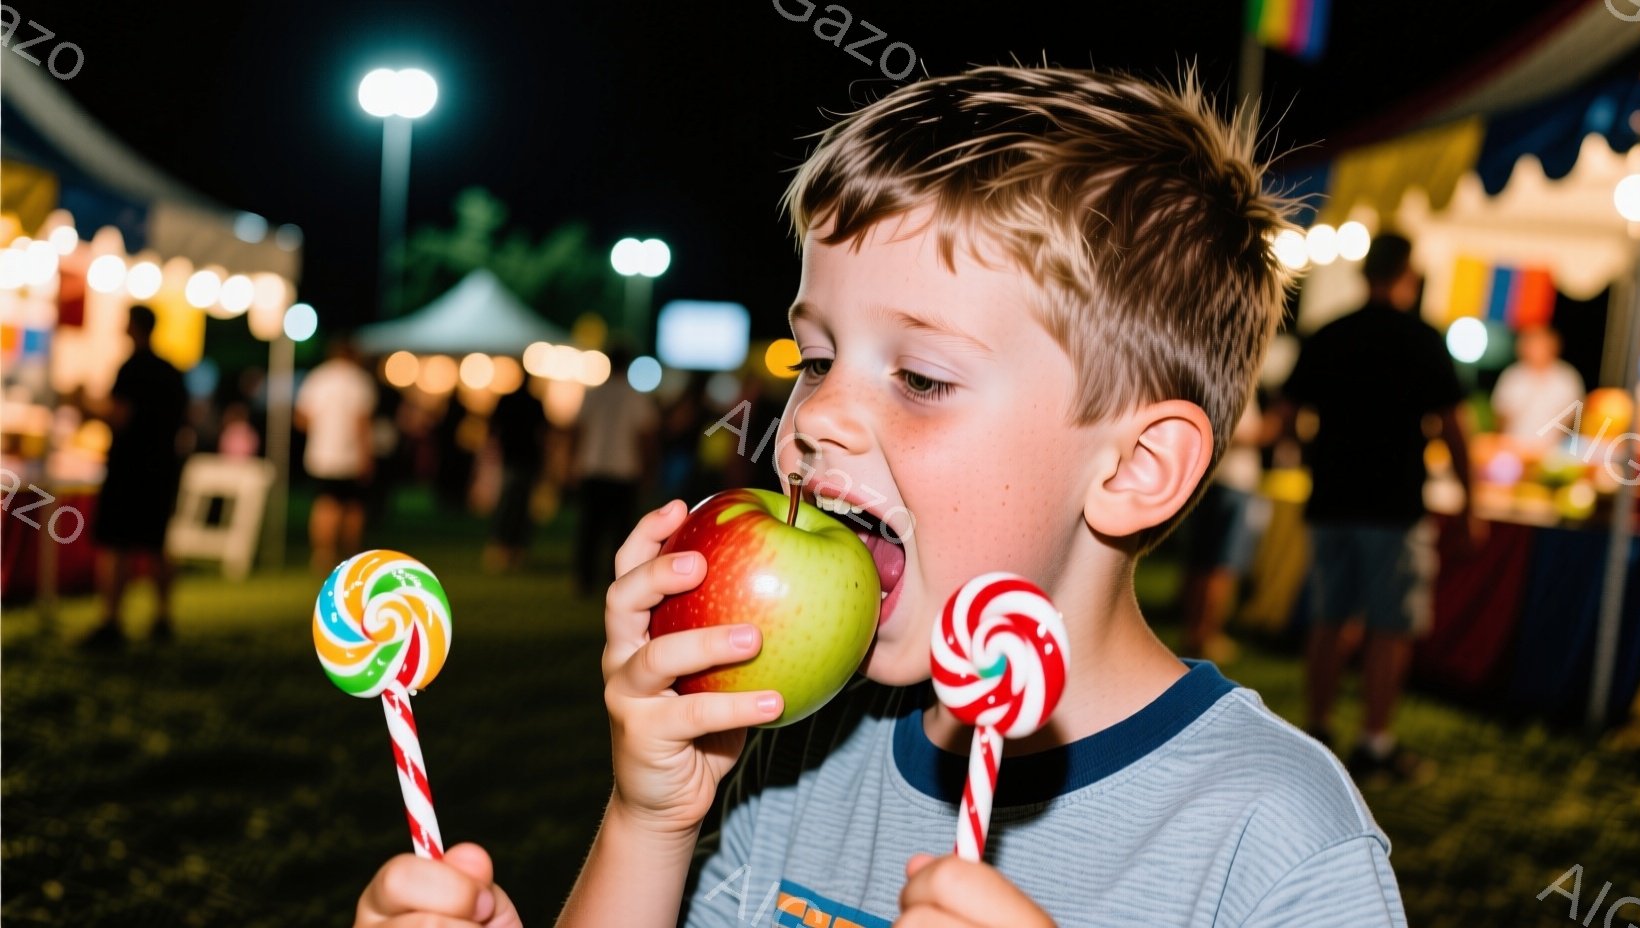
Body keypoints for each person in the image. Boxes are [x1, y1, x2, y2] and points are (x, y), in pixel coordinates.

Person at [355, 66, 1407, 927]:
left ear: (1135, 467)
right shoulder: (798, 752)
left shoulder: (1273, 840)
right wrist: (651, 819)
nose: (812, 418)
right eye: (814, 359)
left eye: (921, 377)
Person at [1279, 232, 1478, 787]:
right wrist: (1470, 503)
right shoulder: (1421, 338)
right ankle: (1375, 741)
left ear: (1366, 273)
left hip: (1332, 499)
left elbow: (1289, 417)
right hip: (1395, 503)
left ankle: (1319, 729)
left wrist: (1313, 457)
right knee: (1389, 626)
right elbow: (1455, 429)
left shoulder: (1330, 333)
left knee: (1329, 619)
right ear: (1408, 275)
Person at [82, 304, 189, 650]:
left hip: (129, 468)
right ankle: (163, 616)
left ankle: (111, 620)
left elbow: (120, 416)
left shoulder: (132, 368)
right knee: (157, 543)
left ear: (133, 326)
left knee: (116, 544)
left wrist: (85, 406)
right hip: (162, 468)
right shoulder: (171, 371)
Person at [1180, 394, 1272, 664]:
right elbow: (1238, 433)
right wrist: (1275, 427)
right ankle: (1206, 635)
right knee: (1221, 565)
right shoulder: (1238, 387)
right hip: (1232, 481)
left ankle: (1194, 633)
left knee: (1201, 562)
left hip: (1209, 478)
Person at [570, 346, 658, 597]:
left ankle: (585, 578)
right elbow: (646, 436)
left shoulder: (593, 394)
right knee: (621, 531)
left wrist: (574, 463)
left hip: (593, 467)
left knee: (590, 527)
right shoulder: (635, 397)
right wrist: (648, 469)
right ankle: (616, 578)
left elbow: (579, 430)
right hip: (624, 470)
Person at [295, 338, 378, 575]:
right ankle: (350, 556)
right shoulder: (359, 381)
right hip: (350, 455)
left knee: (325, 504)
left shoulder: (317, 378)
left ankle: (322, 554)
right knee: (353, 507)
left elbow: (301, 418)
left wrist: (323, 428)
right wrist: (366, 456)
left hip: (321, 455)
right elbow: (362, 423)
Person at [484, 376, 549, 573]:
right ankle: (516, 549)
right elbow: (544, 431)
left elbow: (493, 427)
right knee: (522, 506)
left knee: (507, 504)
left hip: (512, 457)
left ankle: (501, 547)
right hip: (528, 458)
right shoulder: (535, 403)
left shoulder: (507, 400)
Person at [1491, 324, 1584, 447]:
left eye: (1541, 344)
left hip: (1554, 449)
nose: (1537, 350)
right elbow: (1500, 415)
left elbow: (1575, 418)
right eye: (1532, 344)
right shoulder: (1512, 376)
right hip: (1514, 447)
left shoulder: (1567, 377)